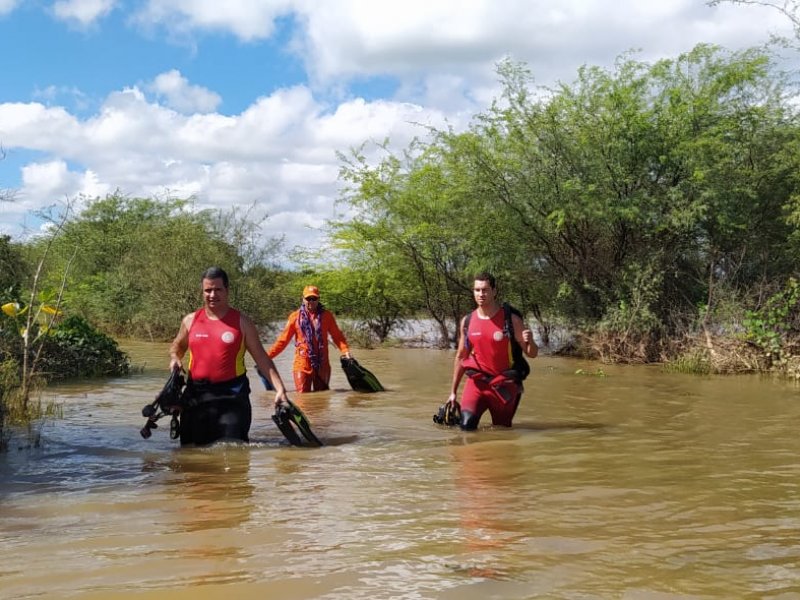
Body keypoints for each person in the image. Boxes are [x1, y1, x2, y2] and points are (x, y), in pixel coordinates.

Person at [169, 266, 290, 446]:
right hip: (196, 396)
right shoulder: (190, 320)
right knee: (190, 453)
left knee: (232, 451)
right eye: (208, 290)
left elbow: (262, 359)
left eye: (218, 289)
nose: (212, 295)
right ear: (202, 291)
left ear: (227, 290)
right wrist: (175, 358)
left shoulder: (243, 323)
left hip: (232, 397)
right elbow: (177, 346)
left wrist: (280, 389)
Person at [447, 272, 538, 430]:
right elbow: (461, 357)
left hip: (504, 387)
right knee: (466, 427)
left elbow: (532, 353)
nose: (481, 294)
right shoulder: (467, 321)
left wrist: (531, 340)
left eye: (485, 290)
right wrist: (453, 392)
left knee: (502, 432)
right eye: (477, 290)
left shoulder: (511, 320)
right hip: (476, 384)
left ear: (494, 291)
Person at [267, 285, 352, 392]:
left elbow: (337, 336)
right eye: (308, 298)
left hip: (322, 364)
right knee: (302, 397)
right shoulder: (295, 317)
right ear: (303, 299)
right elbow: (282, 341)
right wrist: (267, 356)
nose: (311, 301)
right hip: (302, 363)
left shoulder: (327, 316)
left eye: (314, 298)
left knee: (322, 397)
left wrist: (345, 351)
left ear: (318, 299)